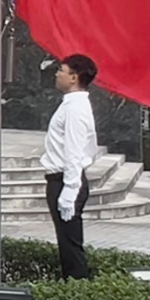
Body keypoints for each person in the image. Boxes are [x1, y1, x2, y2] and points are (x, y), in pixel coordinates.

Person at [43, 54, 100, 280]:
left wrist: (70, 189)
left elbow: (74, 152)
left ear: (74, 77)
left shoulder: (75, 108)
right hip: (61, 179)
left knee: (70, 245)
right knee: (66, 242)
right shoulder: (71, 104)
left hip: (65, 181)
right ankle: (73, 284)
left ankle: (77, 286)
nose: (57, 74)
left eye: (61, 70)